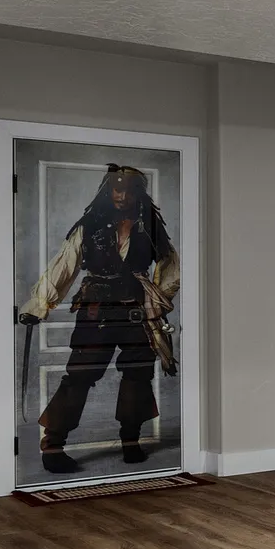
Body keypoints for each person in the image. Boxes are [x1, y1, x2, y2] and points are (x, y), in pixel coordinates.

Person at [18, 165, 180, 474]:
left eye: (129, 190)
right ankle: (53, 444)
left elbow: (171, 267)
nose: (122, 196)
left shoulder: (150, 226)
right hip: (96, 311)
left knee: (137, 375)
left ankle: (131, 441)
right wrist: (39, 305)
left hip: (136, 313)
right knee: (80, 375)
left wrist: (156, 299)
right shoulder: (89, 226)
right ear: (108, 190)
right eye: (117, 189)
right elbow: (64, 265)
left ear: (138, 193)